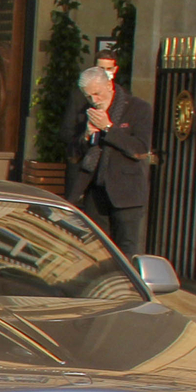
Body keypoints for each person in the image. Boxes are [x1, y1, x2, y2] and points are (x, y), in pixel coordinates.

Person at [64, 65, 153, 257]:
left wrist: (108, 128)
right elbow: (72, 154)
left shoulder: (138, 108)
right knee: (97, 252)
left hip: (126, 194)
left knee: (124, 252)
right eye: (89, 96)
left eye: (97, 94)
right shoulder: (85, 112)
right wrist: (86, 136)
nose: (94, 101)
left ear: (110, 86)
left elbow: (139, 150)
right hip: (96, 192)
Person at [59, 45, 124, 201]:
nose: (106, 73)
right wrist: (86, 135)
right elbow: (66, 132)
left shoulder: (124, 98)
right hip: (83, 165)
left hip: (110, 170)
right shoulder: (79, 96)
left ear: (115, 70)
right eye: (101, 68)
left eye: (109, 68)